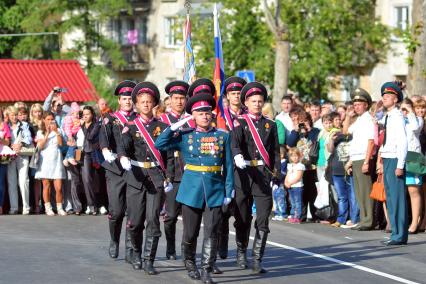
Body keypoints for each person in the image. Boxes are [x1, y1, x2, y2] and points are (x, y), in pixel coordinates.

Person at [155, 83, 234, 284]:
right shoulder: (185, 136)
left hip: (215, 190)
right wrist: (174, 127)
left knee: (212, 231)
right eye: (200, 113)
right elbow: (159, 145)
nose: (205, 116)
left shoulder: (222, 136)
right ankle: (190, 262)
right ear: (193, 115)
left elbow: (229, 166)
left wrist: (228, 190)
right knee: (191, 232)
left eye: (208, 112)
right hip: (191, 190)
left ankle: (207, 268)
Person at [117, 82, 169, 274]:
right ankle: (136, 252)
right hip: (136, 177)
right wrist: (122, 157)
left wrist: (168, 178)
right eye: (142, 102)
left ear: (154, 103)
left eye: (149, 102)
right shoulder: (130, 127)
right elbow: (123, 145)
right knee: (136, 221)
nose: (146, 105)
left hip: (156, 177)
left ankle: (149, 259)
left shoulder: (162, 127)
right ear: (136, 105)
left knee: (153, 220)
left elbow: (169, 155)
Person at [232, 82, 281, 274]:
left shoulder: (271, 124)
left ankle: (257, 259)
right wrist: (237, 155)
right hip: (243, 174)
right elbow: (235, 143)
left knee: (263, 220)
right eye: (254, 101)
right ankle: (241, 251)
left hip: (262, 175)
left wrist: (277, 174)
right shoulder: (240, 122)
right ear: (246, 102)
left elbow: (275, 152)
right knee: (242, 218)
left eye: (260, 101)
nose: (258, 104)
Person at [99, 80, 137, 260]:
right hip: (115, 169)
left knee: (133, 211)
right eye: (124, 98)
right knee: (116, 211)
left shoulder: (139, 119)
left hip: (135, 170)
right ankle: (114, 240)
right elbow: (103, 138)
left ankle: (130, 247)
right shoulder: (111, 119)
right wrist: (105, 150)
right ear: (119, 101)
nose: (128, 101)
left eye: (130, 98)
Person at [158, 80, 191, 261]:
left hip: (189, 174)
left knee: (189, 216)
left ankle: (187, 250)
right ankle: (171, 247)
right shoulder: (161, 120)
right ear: (169, 100)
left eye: (182, 98)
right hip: (171, 173)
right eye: (176, 98)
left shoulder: (191, 120)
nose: (179, 102)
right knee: (170, 215)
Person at [377, 81, 408, 246]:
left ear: (396, 100)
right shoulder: (388, 116)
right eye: (384, 95)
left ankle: (399, 235)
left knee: (396, 198)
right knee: (390, 197)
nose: (385, 98)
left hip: (396, 158)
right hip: (388, 157)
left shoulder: (397, 116)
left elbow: (402, 142)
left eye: (389, 96)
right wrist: (382, 159)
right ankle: (396, 232)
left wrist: (400, 165)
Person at [343, 88, 375, 231]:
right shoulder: (360, 119)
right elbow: (345, 132)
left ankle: (368, 220)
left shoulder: (368, 119)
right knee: (359, 192)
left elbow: (370, 141)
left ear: (366, 105)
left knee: (365, 191)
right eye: (354, 103)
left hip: (363, 158)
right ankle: (363, 219)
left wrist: (367, 161)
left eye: (359, 103)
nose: (356, 106)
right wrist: (348, 117)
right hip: (356, 158)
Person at [286, 109, 320, 222]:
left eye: (305, 120)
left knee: (311, 191)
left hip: (311, 167)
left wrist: (308, 128)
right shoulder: (296, 133)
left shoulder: (315, 131)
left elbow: (315, 140)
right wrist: (296, 129)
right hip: (299, 167)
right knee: (302, 191)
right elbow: (290, 143)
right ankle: (302, 215)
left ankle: (315, 215)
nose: (303, 123)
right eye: (301, 121)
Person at [35, 111, 67, 216]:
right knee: (46, 185)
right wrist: (48, 133)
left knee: (58, 187)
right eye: (48, 119)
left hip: (57, 160)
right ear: (44, 120)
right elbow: (40, 146)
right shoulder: (40, 132)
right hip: (45, 161)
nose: (50, 121)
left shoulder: (58, 130)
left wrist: (56, 131)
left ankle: (59, 207)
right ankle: (47, 208)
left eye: (51, 119)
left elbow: (61, 144)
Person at [400, 98, 424, 234]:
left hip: (413, 156)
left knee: (414, 191)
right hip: (399, 157)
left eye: (407, 109)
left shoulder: (417, 120)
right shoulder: (398, 120)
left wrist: (410, 112)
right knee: (401, 192)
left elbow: (415, 128)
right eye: (402, 109)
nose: (404, 112)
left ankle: (415, 223)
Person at [5, 106, 32, 215]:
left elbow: (29, 138)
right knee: (12, 182)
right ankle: (14, 207)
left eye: (16, 115)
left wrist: (20, 144)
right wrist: (11, 146)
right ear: (9, 116)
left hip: (22, 155)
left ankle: (26, 207)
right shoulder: (6, 126)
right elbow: (5, 139)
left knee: (24, 181)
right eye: (12, 115)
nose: (15, 117)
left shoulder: (24, 125)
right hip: (10, 156)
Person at [79, 106, 101, 215]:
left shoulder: (96, 125)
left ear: (92, 114)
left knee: (94, 180)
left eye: (87, 114)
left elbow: (90, 137)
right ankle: (91, 205)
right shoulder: (81, 125)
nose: (85, 116)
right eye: (84, 114)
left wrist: (83, 126)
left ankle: (96, 204)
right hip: (82, 154)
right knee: (86, 180)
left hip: (93, 154)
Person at [29, 104, 44, 213]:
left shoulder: (45, 123)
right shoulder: (30, 125)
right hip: (35, 154)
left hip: (48, 154)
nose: (37, 113)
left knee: (46, 180)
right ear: (32, 113)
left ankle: (47, 204)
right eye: (35, 111)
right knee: (36, 181)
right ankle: (37, 205)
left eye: (39, 111)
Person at [285, 147, 305, 224]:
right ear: (290, 157)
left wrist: (290, 183)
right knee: (292, 202)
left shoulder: (300, 166)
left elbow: (298, 177)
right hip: (291, 186)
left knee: (297, 202)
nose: (295, 157)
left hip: (297, 187)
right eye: (293, 156)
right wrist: (286, 182)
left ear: (299, 156)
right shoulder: (290, 165)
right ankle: (293, 215)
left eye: (296, 156)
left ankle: (298, 217)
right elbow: (288, 174)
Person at [0, 109, 12, 215]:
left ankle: (0, 206)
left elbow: (8, 142)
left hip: (3, 155)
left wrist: (1, 140)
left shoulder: (4, 125)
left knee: (1, 183)